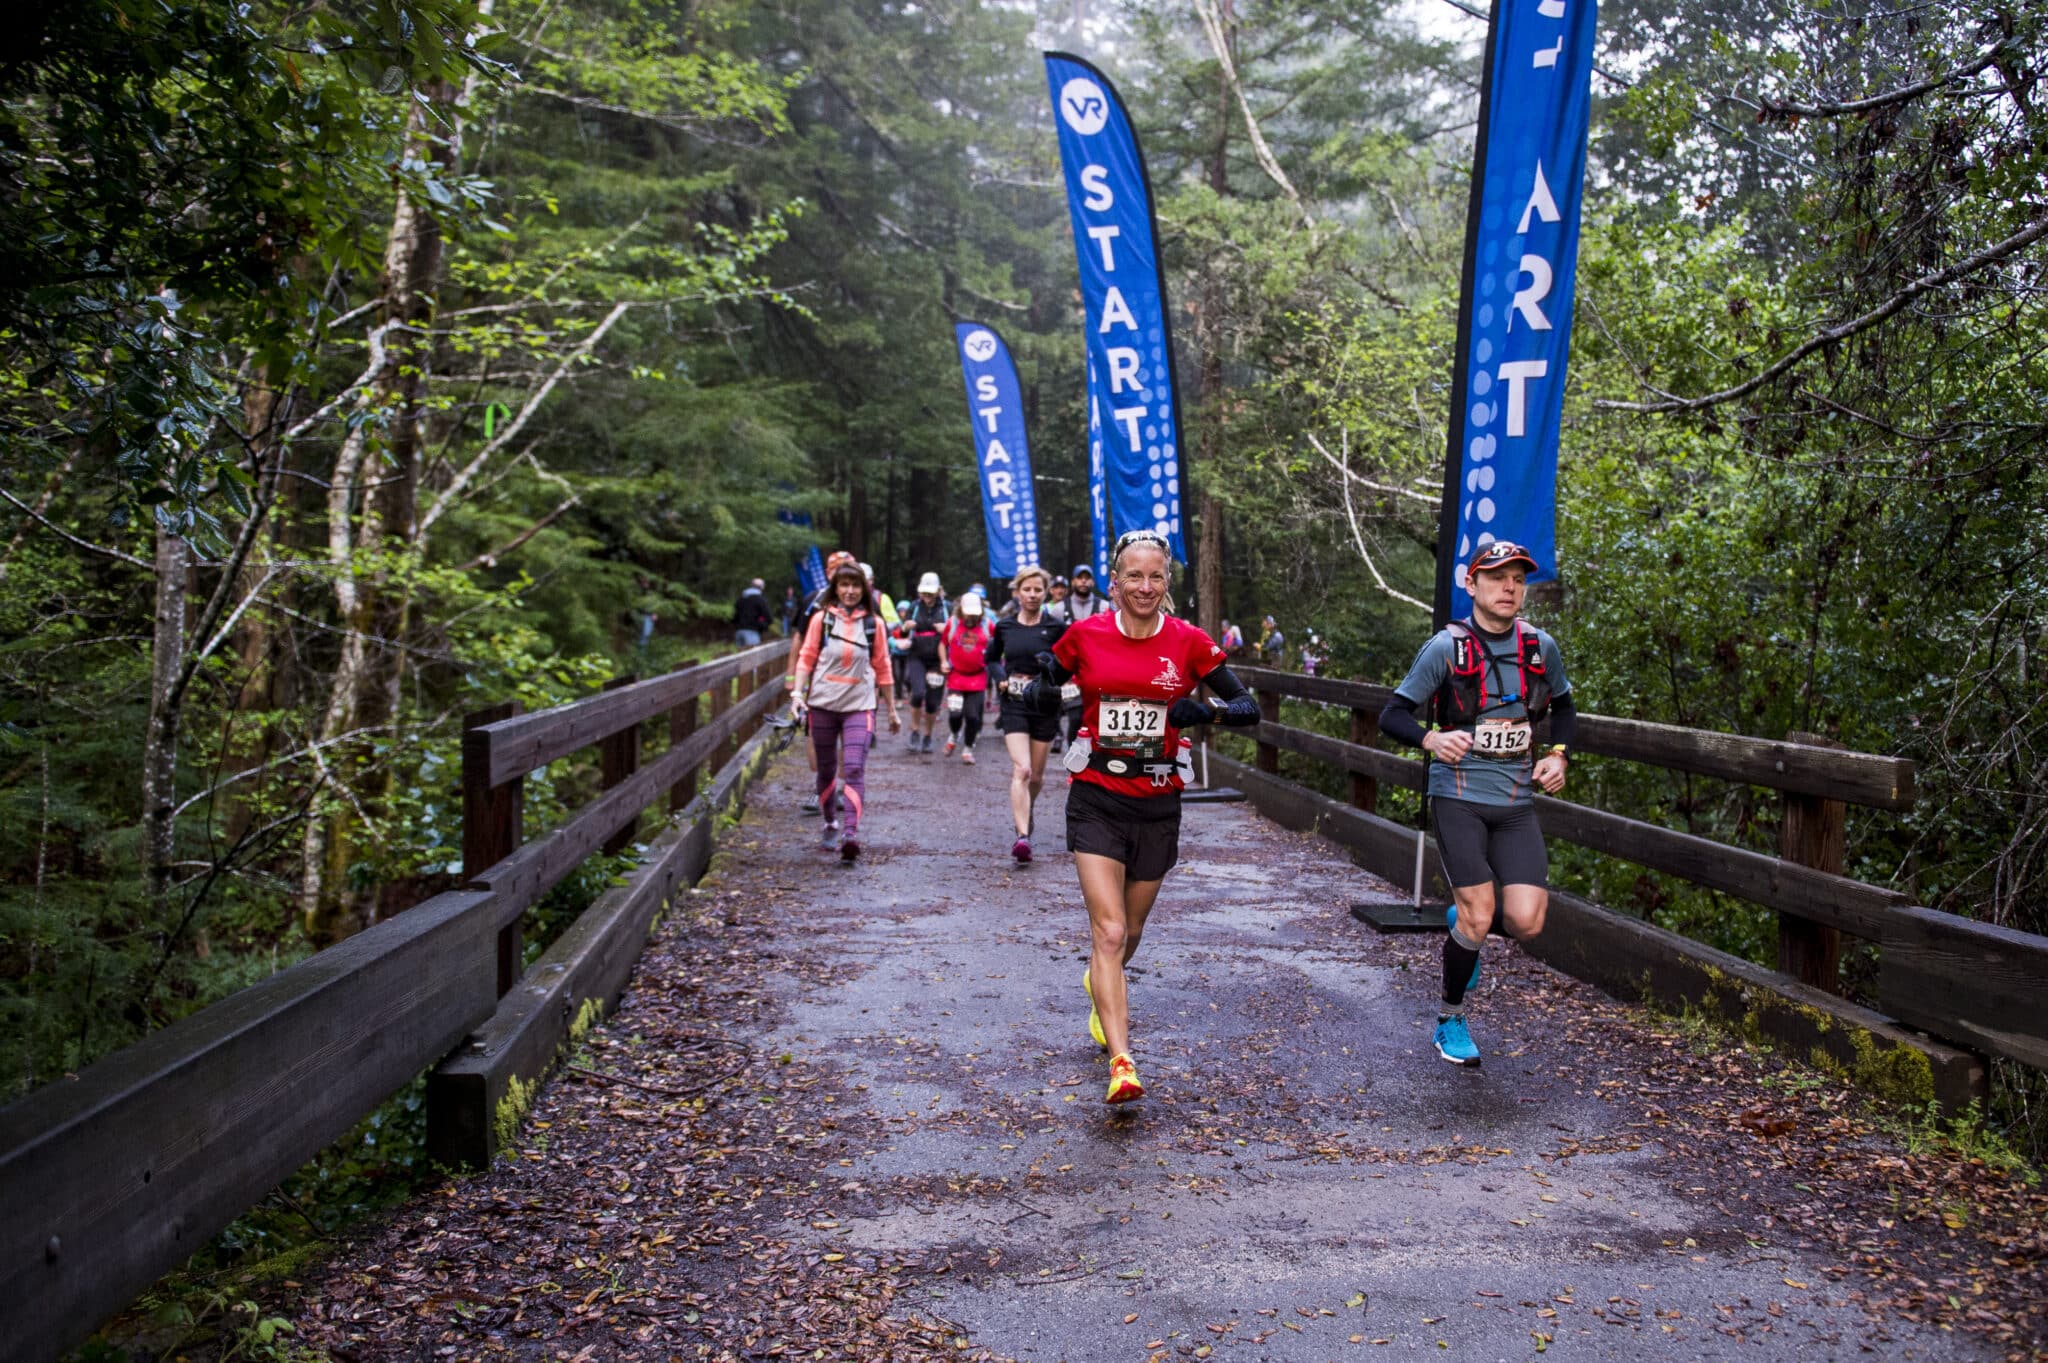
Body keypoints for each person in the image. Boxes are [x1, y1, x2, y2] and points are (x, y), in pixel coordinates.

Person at [1015, 529, 1259, 1103]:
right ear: (1115, 582)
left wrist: (1205, 713)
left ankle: (1103, 982)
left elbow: (1246, 707)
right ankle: (1122, 1062)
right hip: (1097, 791)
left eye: (1155, 577)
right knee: (1111, 930)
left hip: (1158, 799)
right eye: (1134, 576)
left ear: (1166, 583)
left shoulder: (1190, 641)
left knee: (1133, 930)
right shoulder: (1085, 634)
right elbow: (1038, 688)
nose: (1144, 586)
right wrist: (1045, 696)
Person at [1375, 541, 1575, 1067]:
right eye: (1496, 577)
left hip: (1516, 802)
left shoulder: (1539, 647)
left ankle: (1465, 926)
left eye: (1517, 578)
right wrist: (1430, 740)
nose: (1508, 587)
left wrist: (1558, 754)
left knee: (1528, 921)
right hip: (1458, 795)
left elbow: (1565, 706)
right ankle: (1450, 1017)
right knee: (1481, 911)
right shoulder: (1446, 648)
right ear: (1472, 585)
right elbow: (1391, 713)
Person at [792, 559, 900, 861]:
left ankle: (850, 833)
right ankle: (830, 823)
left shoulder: (873, 624)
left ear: (863, 589)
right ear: (835, 588)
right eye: (844, 585)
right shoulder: (821, 620)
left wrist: (891, 708)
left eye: (855, 585)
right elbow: (806, 657)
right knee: (826, 769)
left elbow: (883, 667)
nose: (850, 591)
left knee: (853, 767)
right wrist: (796, 693)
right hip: (823, 703)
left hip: (860, 705)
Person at [987, 565, 1066, 863]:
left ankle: (1026, 812)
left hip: (1044, 705)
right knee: (1022, 769)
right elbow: (991, 658)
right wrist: (1000, 678)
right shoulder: (1005, 626)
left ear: (1045, 593)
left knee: (1038, 776)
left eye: (1038, 590)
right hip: (1014, 702)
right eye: (1027, 589)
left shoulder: (1056, 628)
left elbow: (1068, 662)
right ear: (1017, 592)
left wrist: (1052, 668)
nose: (1032, 595)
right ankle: (1022, 837)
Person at [787, 551, 859, 814]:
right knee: (814, 730)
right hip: (817, 677)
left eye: (847, 570)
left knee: (845, 732)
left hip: (851, 679)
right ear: (829, 574)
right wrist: (791, 677)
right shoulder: (813, 602)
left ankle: (840, 787)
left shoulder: (861, 603)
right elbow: (800, 639)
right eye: (837, 570)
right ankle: (820, 786)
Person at [1048, 563, 1109, 746]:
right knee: (1075, 717)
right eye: (1080, 577)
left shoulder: (1104, 606)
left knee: (1097, 719)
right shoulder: (1059, 609)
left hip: (1098, 673)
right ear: (1073, 581)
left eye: (1087, 577)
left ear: (1092, 581)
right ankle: (1074, 761)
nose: (1083, 581)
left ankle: (1095, 760)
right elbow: (1053, 642)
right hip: (1070, 676)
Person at [897, 572, 950, 754]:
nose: (926, 597)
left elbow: (957, 633)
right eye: (924, 593)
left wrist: (947, 628)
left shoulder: (946, 608)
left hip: (938, 658)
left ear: (937, 592)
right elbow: (903, 632)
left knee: (933, 701)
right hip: (916, 655)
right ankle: (914, 731)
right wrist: (906, 627)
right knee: (918, 693)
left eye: (930, 593)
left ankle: (928, 736)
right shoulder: (914, 606)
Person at [940, 592, 993, 762]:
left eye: (974, 613)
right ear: (961, 610)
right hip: (956, 676)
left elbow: (999, 645)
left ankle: (968, 748)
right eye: (968, 612)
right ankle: (954, 735)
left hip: (978, 678)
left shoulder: (988, 626)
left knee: (973, 717)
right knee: (955, 714)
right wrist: (943, 661)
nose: (971, 616)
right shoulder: (953, 623)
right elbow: (942, 644)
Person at [734, 578, 772, 646]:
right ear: (761, 587)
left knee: (741, 655)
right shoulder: (760, 600)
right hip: (752, 632)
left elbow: (735, 616)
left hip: (739, 632)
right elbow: (768, 617)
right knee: (753, 655)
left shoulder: (740, 599)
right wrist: (763, 625)